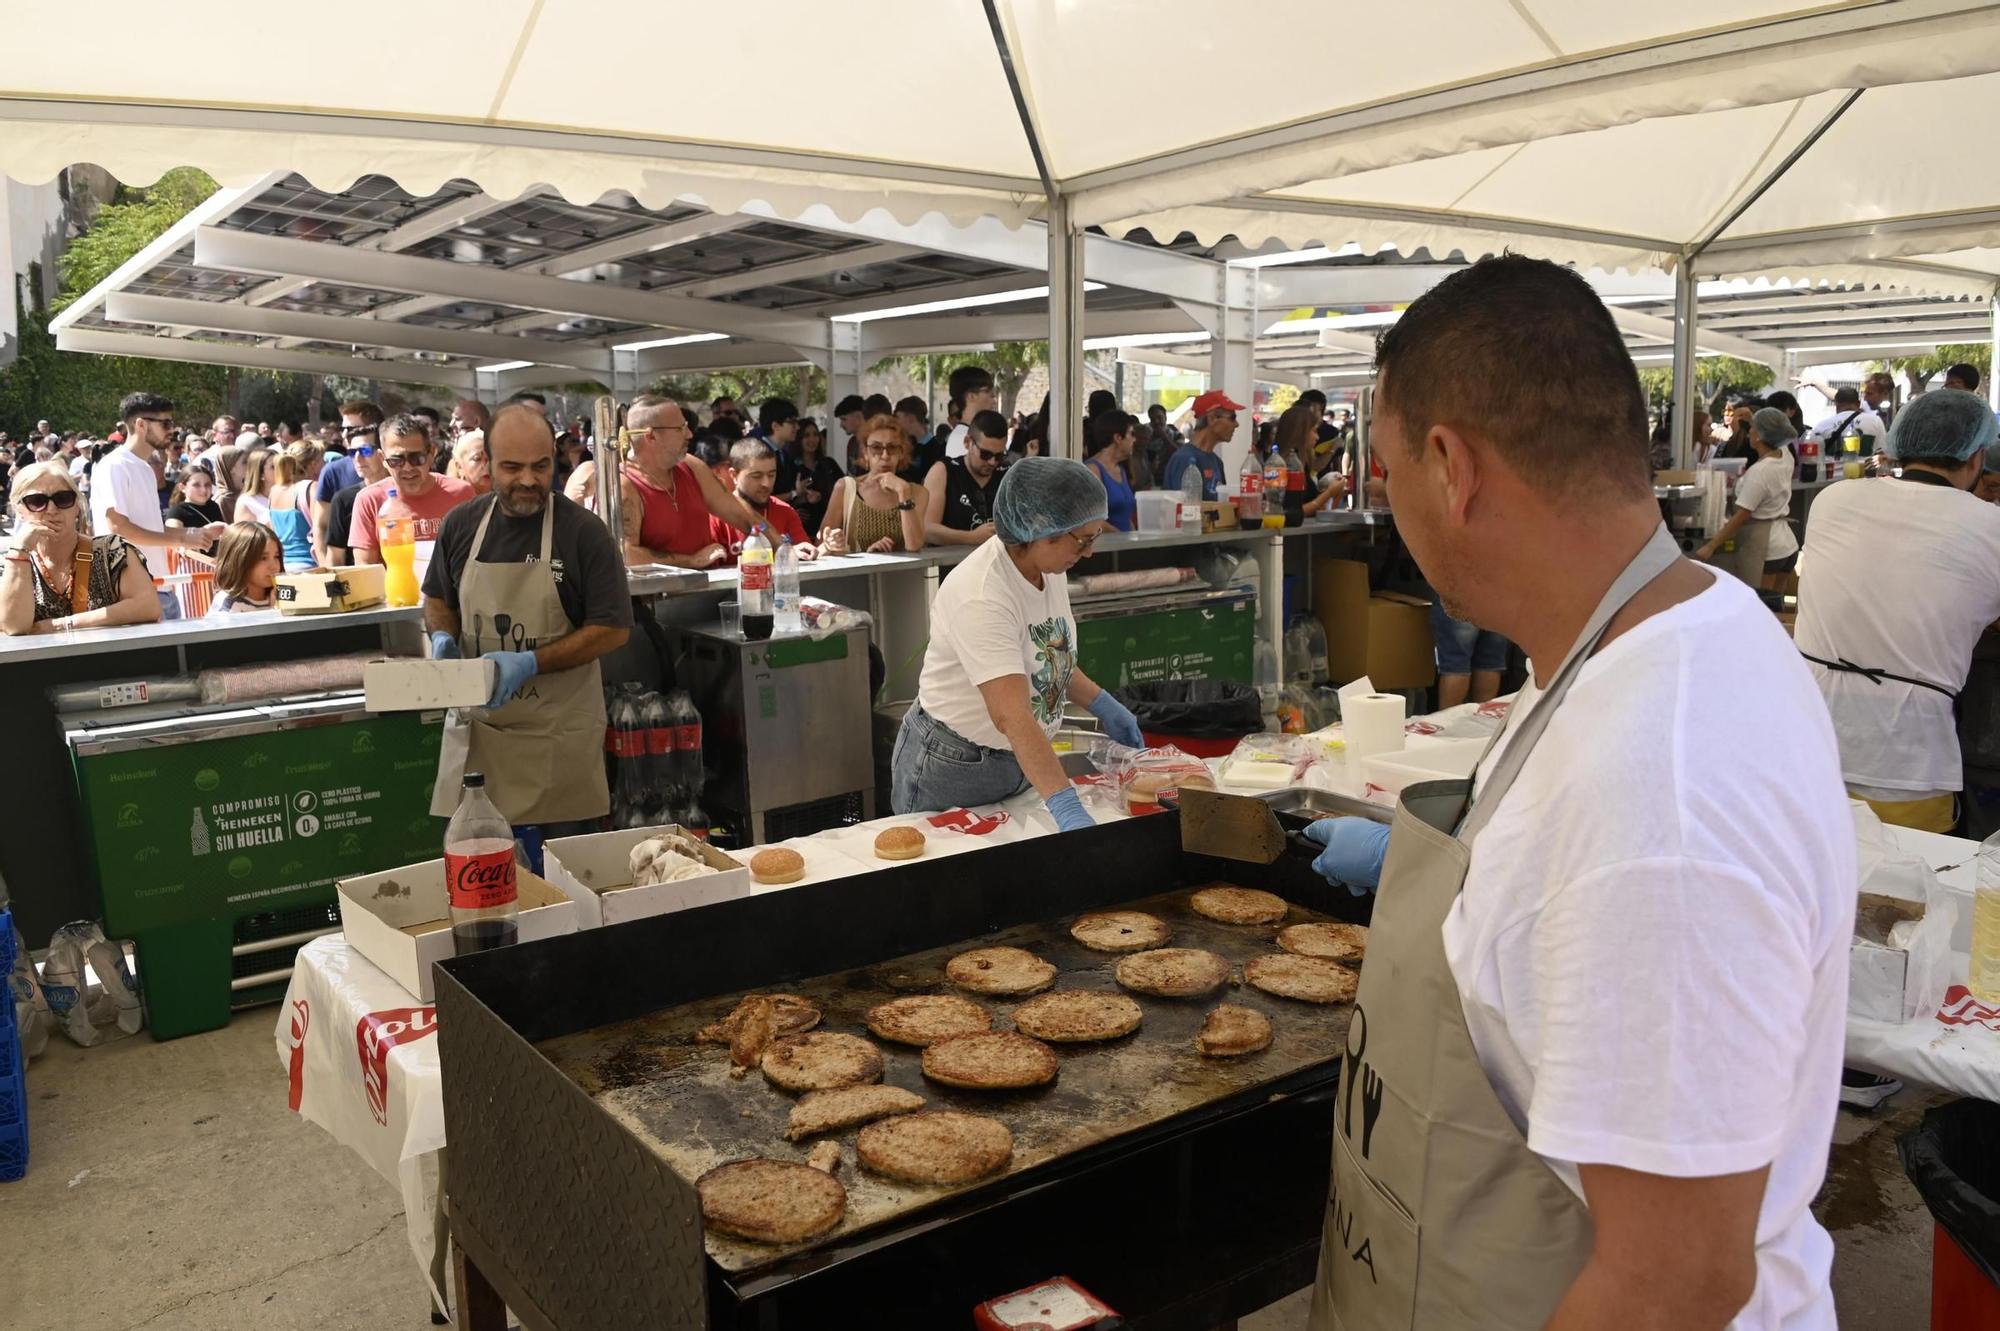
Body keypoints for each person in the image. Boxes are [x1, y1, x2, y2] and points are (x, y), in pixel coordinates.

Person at [1297, 256, 1850, 1331]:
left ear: (1450, 467)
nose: (1388, 503)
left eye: (1387, 470)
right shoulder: (1663, 626)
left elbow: (1674, 1280)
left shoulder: (1659, 794)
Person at [423, 404, 634, 864]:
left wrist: (531, 662)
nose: (528, 480)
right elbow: (437, 599)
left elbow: (613, 629)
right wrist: (442, 638)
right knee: (483, 877)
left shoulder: (583, 533)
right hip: (480, 740)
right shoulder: (462, 525)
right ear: (486, 463)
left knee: (568, 878)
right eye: (512, 467)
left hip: (557, 743)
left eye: (540, 466)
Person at [891, 455, 1140, 828]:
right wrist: (1066, 807)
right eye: (1083, 540)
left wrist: (1103, 704)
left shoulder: (1048, 566)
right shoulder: (982, 594)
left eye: (1094, 537)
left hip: (1021, 759)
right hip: (955, 765)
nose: (1089, 551)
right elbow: (1011, 715)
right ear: (1038, 530)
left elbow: (1045, 658)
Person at [1795, 387, 2000, 835]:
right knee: (1913, 877)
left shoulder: (1832, 500)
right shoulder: (1991, 526)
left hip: (1809, 750)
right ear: (1976, 457)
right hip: (1909, 768)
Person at [92, 393, 225, 621]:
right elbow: (119, 529)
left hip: (160, 587)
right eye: (165, 423)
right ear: (141, 425)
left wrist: (193, 534)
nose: (172, 430)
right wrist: (182, 538)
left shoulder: (144, 468)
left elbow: (151, 528)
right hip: (132, 594)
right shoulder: (114, 466)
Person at [2, 460, 162, 635]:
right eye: (37, 501)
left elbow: (147, 606)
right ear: (19, 511)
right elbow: (14, 627)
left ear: (77, 507)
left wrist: (61, 624)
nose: (52, 509)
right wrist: (19, 551)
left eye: (63, 499)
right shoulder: (10, 564)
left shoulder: (114, 551)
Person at [616, 395, 760, 569]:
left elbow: (741, 514)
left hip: (706, 583)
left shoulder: (691, 466)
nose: (690, 434)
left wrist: (781, 546)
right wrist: (690, 561)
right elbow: (624, 554)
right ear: (651, 436)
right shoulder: (625, 484)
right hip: (659, 587)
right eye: (680, 428)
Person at [347, 414, 475, 572]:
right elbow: (365, 567)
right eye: (396, 461)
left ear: (431, 453)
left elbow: (475, 557)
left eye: (416, 458)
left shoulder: (462, 493)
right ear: (382, 458)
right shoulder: (369, 500)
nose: (407, 468)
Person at [1696, 406, 1799, 589]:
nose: (1749, 431)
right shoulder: (1785, 456)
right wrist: (1754, 419)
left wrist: (1711, 546)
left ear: (1759, 436)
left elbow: (1742, 516)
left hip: (1767, 549)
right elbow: (1777, 435)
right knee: (1776, 603)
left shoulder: (1760, 472)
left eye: (1752, 428)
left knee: (1761, 603)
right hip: (1787, 546)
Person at [820, 414, 926, 555]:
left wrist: (903, 493)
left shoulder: (915, 492)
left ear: (901, 453)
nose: (885, 456)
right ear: (865, 453)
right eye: (876, 448)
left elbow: (914, 545)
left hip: (905, 569)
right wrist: (833, 544)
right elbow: (821, 543)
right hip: (858, 569)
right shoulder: (847, 488)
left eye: (892, 448)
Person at [707, 439, 816, 562]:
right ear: (734, 475)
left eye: (771, 475)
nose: (766, 483)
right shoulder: (716, 517)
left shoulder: (786, 512)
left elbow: (807, 558)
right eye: (756, 476)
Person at [922, 409, 1008, 545]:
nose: (992, 462)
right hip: (954, 558)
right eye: (985, 454)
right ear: (967, 442)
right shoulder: (944, 471)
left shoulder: (1007, 475)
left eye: (999, 456)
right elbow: (926, 529)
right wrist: (971, 537)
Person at [315, 400, 382, 564]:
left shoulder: (403, 484)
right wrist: (326, 569)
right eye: (342, 429)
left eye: (351, 429)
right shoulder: (333, 473)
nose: (344, 434)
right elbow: (321, 526)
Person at [1161, 390, 1240, 500]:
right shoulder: (1184, 459)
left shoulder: (1217, 462)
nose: (1236, 424)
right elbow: (1181, 507)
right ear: (1212, 419)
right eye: (1232, 418)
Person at [325, 443, 389, 567]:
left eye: (365, 451)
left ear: (382, 454)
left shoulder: (407, 492)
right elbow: (335, 557)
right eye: (352, 452)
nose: (358, 458)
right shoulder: (343, 500)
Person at [265, 442, 322, 572]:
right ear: (313, 464)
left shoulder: (274, 491)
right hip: (310, 565)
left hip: (283, 566)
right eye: (321, 460)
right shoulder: (311, 488)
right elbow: (321, 530)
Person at [786, 418, 844, 538]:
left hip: (830, 528)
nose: (812, 439)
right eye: (806, 435)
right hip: (802, 531)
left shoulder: (828, 464)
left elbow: (844, 491)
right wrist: (795, 508)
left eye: (815, 435)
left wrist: (821, 497)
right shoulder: (790, 467)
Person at [208, 521, 283, 613]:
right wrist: (274, 611)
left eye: (276, 556)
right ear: (239, 560)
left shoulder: (282, 595)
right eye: (263, 558)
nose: (273, 566)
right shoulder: (229, 604)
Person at [1083, 410, 1137, 532]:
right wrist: (1120, 537)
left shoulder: (1121, 471)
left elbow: (1125, 516)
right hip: (1106, 543)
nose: (1134, 439)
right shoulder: (1092, 470)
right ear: (1118, 438)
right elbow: (1091, 518)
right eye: (1131, 434)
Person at [1808, 385, 1885, 457]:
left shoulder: (1822, 426)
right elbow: (1883, 451)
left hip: (1832, 467)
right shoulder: (1875, 421)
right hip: (1865, 467)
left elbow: (1813, 456)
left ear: (1836, 404)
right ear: (1858, 404)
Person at [943, 367, 998, 460]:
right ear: (971, 396)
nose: (994, 400)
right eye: (988, 392)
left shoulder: (970, 433)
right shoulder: (961, 438)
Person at [447, 429, 491, 495]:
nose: (487, 465)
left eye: (491, 458)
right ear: (459, 467)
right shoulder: (449, 498)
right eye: (477, 459)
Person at [834, 394, 869, 476]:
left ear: (858, 416)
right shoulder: (852, 443)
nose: (841, 425)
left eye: (844, 419)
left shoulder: (874, 442)